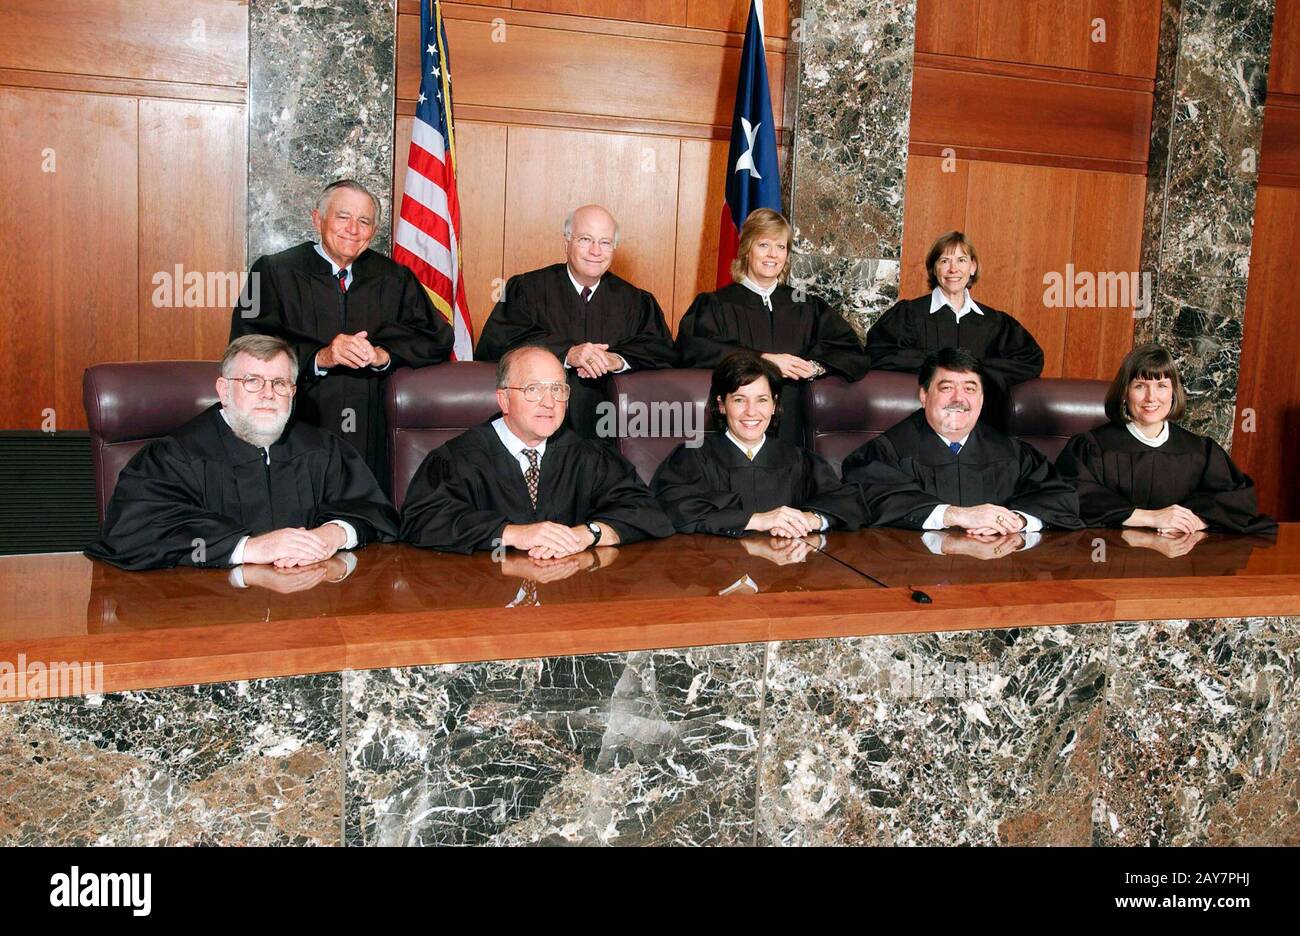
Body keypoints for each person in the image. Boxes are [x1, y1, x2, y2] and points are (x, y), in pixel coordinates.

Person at [86, 335, 398, 571]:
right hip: (208, 620)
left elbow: (373, 511)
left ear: (293, 392)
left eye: (280, 383)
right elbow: (134, 532)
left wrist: (333, 535)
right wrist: (248, 548)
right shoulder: (174, 456)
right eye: (252, 381)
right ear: (223, 390)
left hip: (310, 611)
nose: (267, 394)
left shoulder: (322, 449)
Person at [231, 179, 454, 489]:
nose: (353, 229)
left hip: (372, 425)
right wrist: (321, 356)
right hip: (299, 419)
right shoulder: (272, 271)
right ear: (317, 219)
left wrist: (383, 354)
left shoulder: (395, 278)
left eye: (364, 221)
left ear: (374, 230)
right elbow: (246, 344)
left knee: (368, 517)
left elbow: (437, 338)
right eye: (342, 217)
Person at [400, 345, 674, 555]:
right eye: (533, 389)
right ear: (504, 399)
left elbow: (645, 511)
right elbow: (422, 520)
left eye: (558, 389)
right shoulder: (457, 459)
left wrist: (588, 533)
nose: (549, 402)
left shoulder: (588, 456)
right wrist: (511, 534)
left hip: (566, 604)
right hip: (487, 604)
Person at [474, 204, 677, 440]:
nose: (595, 251)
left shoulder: (636, 301)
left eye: (605, 242)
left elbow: (662, 351)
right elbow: (497, 342)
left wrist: (616, 360)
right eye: (585, 239)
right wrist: (567, 353)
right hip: (538, 432)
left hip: (611, 434)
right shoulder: (527, 289)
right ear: (567, 243)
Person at [676, 208, 867, 444]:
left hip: (793, 428)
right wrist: (763, 359)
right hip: (735, 427)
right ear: (747, 249)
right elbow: (693, 350)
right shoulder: (716, 304)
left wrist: (814, 367)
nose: (773, 255)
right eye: (764, 245)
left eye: (781, 247)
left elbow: (851, 351)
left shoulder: (806, 306)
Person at [842, 347, 1082, 533]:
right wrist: (955, 515)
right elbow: (870, 498)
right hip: (915, 577)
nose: (959, 398)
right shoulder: (887, 451)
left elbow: (1059, 497)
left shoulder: (1012, 452)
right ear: (924, 396)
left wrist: (1015, 520)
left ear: (982, 399)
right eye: (946, 388)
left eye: (970, 389)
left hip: (996, 575)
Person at [1056, 344, 1275, 534]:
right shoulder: (1092, 447)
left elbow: (1237, 500)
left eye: (1162, 386)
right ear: (1124, 392)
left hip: (1180, 559)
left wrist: (1197, 521)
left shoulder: (1200, 451)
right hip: (1112, 563)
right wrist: (1150, 518)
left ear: (1173, 393)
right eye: (1140, 386)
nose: (1151, 398)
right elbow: (1071, 497)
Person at [652, 352, 863, 536]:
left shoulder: (798, 459)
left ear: (774, 405)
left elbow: (846, 503)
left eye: (762, 400)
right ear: (722, 405)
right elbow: (672, 509)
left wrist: (811, 519)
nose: (751, 412)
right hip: (716, 572)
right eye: (739, 400)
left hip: (788, 571)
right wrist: (757, 521)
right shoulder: (693, 457)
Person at [865, 231, 1042, 422]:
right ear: (934, 269)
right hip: (919, 422)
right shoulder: (909, 315)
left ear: (972, 267)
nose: (953, 269)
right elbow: (878, 353)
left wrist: (974, 368)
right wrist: (938, 364)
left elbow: (1031, 360)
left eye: (961, 260)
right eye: (944, 261)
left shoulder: (995, 322)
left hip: (982, 424)